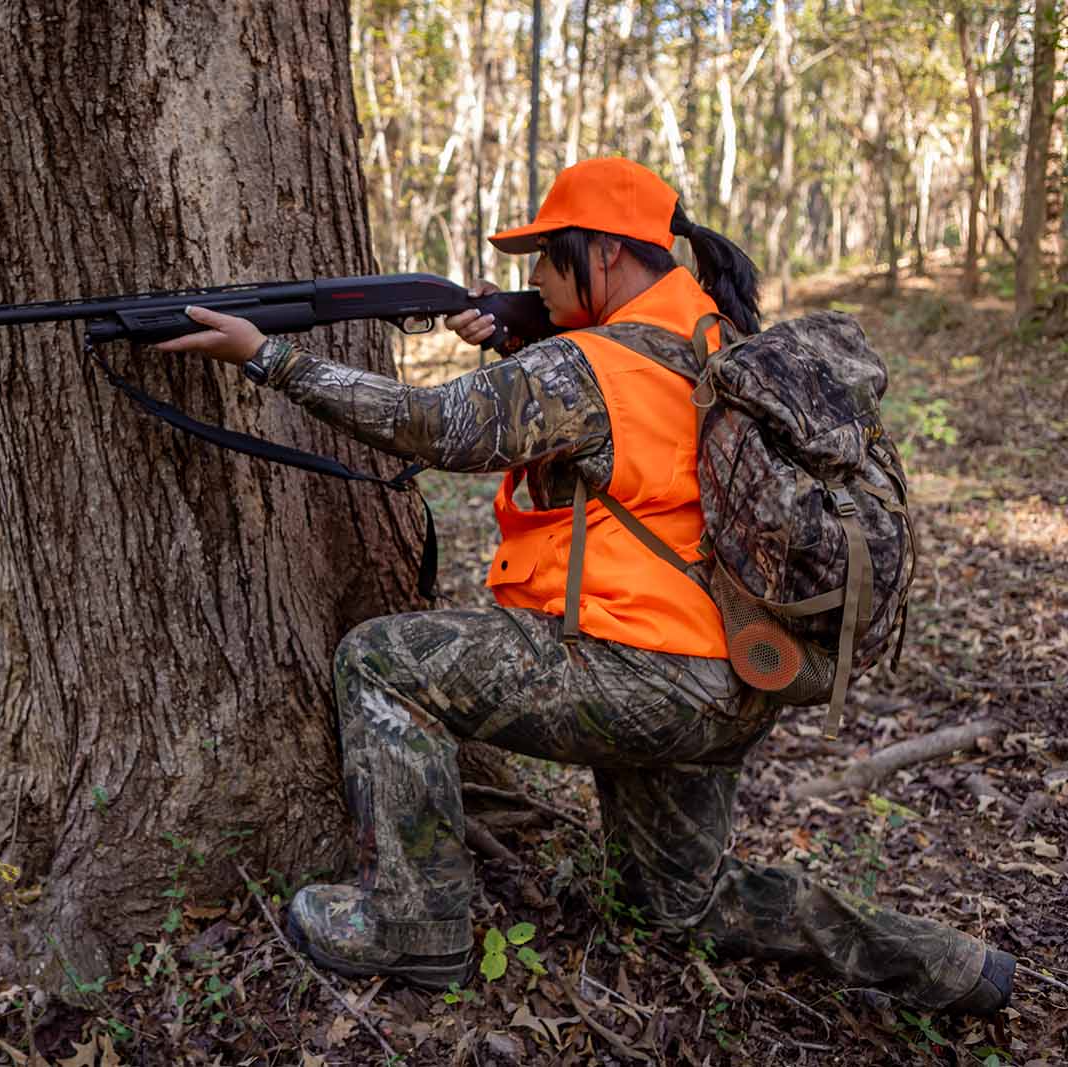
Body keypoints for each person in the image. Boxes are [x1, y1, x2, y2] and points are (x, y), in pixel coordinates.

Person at [154, 157, 1014, 1015]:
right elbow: (639, 435)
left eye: (546, 254)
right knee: (679, 903)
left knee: (383, 661)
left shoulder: (585, 365)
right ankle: (945, 961)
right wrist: (523, 343)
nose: (534, 276)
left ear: (603, 253)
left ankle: (410, 923)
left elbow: (434, 424)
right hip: (741, 675)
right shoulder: (717, 334)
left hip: (643, 675)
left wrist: (269, 357)